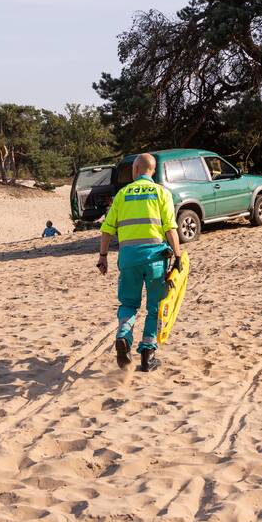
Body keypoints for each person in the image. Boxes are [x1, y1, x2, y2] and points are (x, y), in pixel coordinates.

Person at [97, 153, 182, 372]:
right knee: (155, 307)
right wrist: (179, 256)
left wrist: (103, 257)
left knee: (128, 303)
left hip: (128, 259)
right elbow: (170, 228)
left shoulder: (122, 194)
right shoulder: (162, 193)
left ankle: (124, 335)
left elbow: (107, 230)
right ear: (153, 171)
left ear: (135, 170)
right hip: (155, 259)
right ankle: (147, 353)